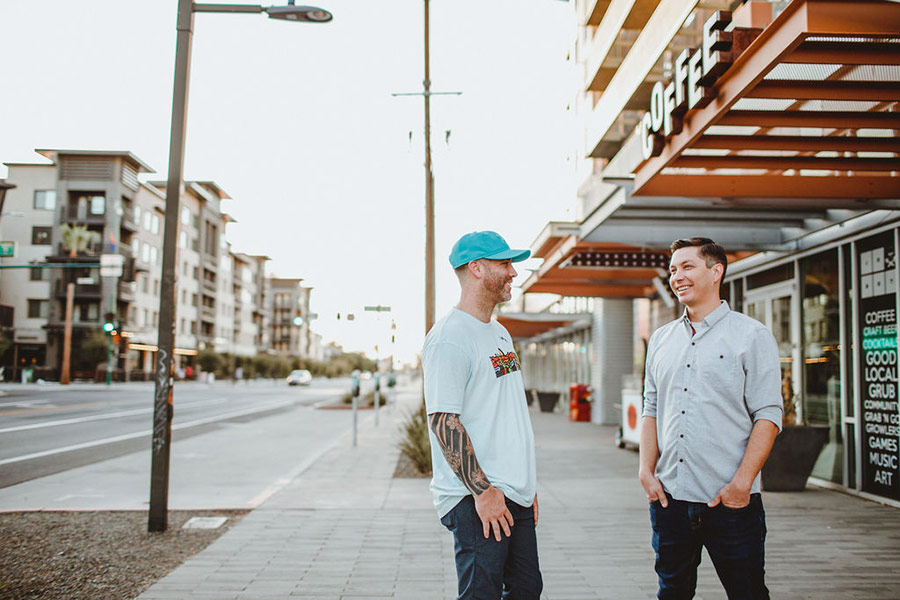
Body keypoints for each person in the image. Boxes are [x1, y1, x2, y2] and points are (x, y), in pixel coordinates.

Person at [640, 237, 783, 599]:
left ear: (716, 271)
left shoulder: (751, 335)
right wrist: (646, 469)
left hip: (731, 502)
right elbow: (651, 407)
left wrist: (742, 484)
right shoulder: (660, 339)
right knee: (672, 592)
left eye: (687, 266)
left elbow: (768, 414)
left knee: (747, 592)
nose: (677, 277)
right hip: (671, 499)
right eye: (673, 270)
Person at [423, 230, 542, 599]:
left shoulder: (499, 332)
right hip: (477, 496)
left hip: (512, 491)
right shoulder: (450, 337)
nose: (513, 273)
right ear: (476, 268)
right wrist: (483, 491)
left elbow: (506, 410)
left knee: (526, 589)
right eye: (505, 263)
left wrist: (526, 483)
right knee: (482, 594)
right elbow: (444, 421)